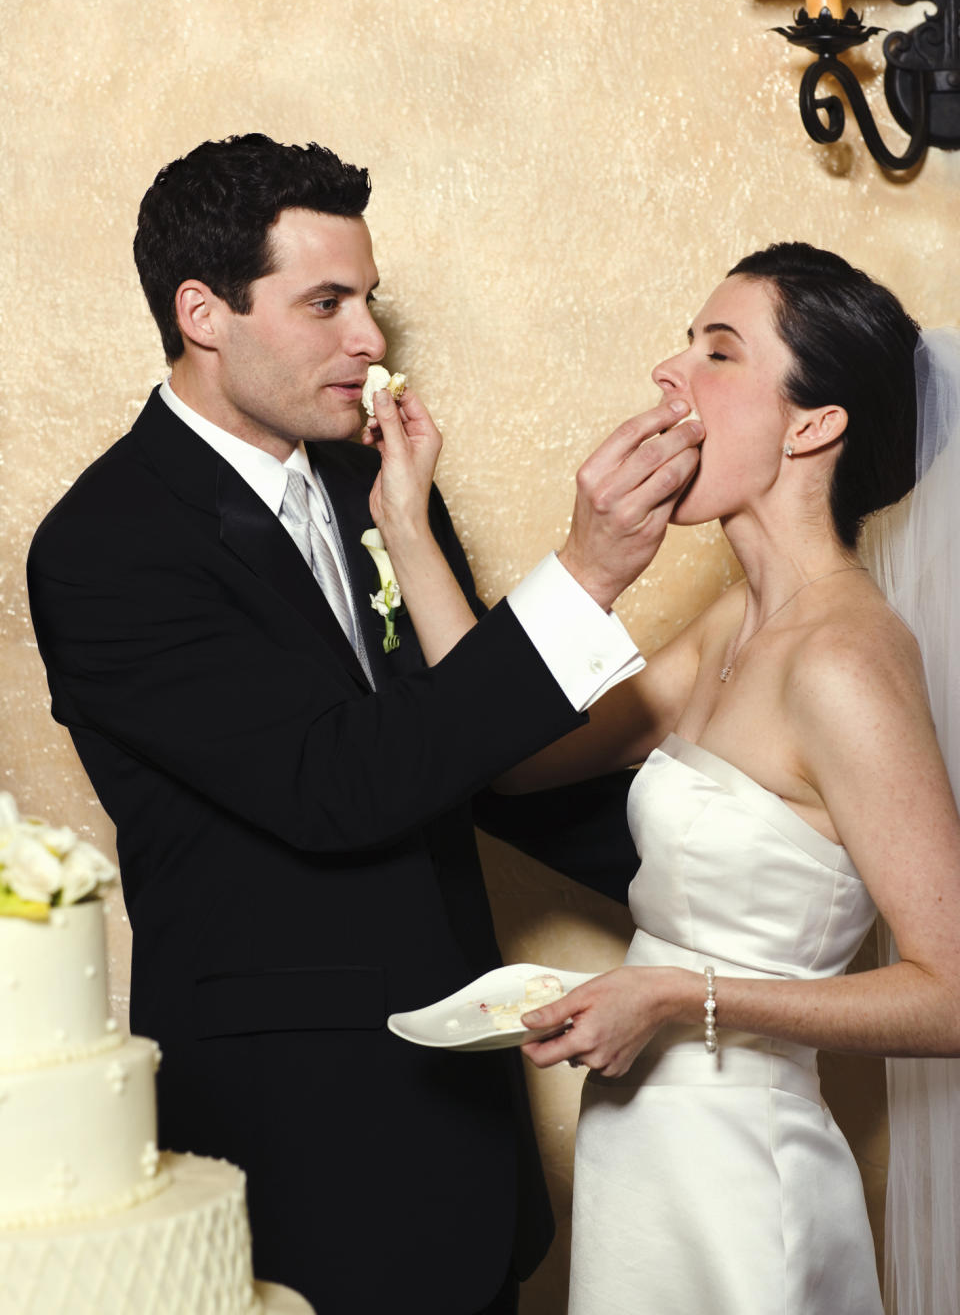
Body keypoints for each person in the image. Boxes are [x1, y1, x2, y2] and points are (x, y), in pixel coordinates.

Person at [25, 133, 706, 1315]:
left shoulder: (372, 484)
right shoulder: (105, 546)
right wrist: (582, 576)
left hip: (468, 1132)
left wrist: (718, 876)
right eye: (326, 302)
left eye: (370, 301)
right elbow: (339, 785)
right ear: (203, 313)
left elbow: (477, 754)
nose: (372, 343)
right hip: (298, 1139)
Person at [367, 242, 960, 1315]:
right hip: (645, 1156)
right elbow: (496, 746)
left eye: (719, 352)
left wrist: (678, 996)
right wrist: (407, 525)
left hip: (744, 1174)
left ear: (812, 423)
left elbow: (954, 992)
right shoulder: (737, 621)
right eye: (686, 342)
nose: (669, 374)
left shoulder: (845, 660)